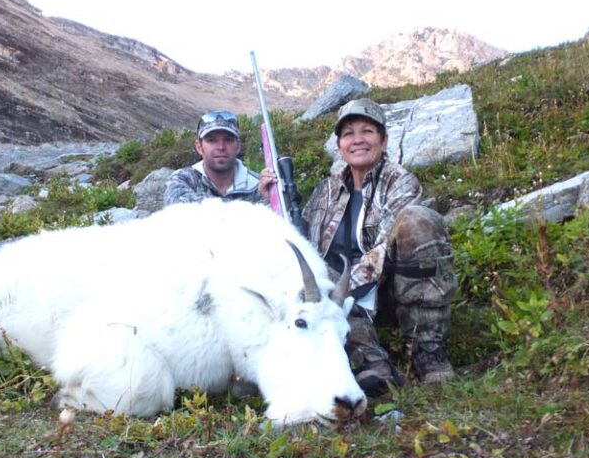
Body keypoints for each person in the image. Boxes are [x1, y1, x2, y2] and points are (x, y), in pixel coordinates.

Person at [260, 98, 457, 396]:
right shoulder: (325, 190)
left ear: (384, 139)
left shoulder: (400, 183)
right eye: (348, 133)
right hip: (342, 301)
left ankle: (426, 350)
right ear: (339, 144)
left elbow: (381, 248)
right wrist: (269, 199)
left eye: (367, 131)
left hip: (389, 291)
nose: (357, 140)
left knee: (419, 220)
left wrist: (335, 289)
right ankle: (373, 365)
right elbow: (301, 244)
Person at [163, 109, 263, 206]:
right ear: (199, 147)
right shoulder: (182, 179)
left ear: (238, 146)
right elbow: (181, 209)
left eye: (228, 140)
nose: (221, 147)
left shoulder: (258, 186)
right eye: (212, 140)